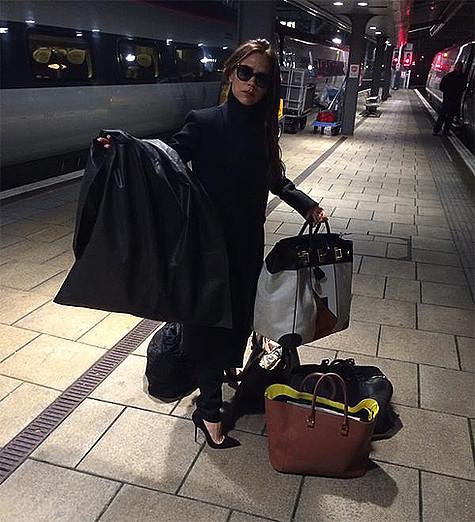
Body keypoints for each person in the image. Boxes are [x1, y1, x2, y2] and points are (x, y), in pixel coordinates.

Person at [99, 39, 326, 449]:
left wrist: (307, 205)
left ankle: (218, 384)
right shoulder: (204, 122)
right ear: (231, 72)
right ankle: (209, 412)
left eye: (261, 78)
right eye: (245, 73)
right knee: (208, 325)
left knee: (237, 321)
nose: (251, 84)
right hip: (206, 248)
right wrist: (122, 149)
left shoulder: (263, 130)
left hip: (247, 245)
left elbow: (275, 179)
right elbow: (163, 159)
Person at [433, 62, 466, 136]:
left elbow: (463, 88)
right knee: (443, 115)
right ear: (455, 67)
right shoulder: (450, 76)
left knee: (450, 117)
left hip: (455, 100)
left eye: (460, 67)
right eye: (458, 66)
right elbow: (442, 86)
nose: (459, 68)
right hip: (448, 99)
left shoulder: (462, 77)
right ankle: (436, 130)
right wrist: (448, 92)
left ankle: (445, 131)